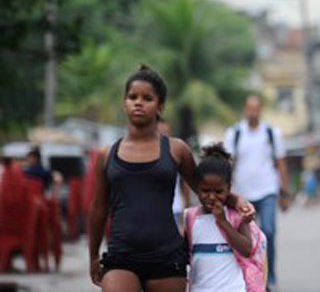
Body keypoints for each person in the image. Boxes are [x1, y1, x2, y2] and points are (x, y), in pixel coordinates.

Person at [88, 65, 254, 292]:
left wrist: (235, 201)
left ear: (160, 106)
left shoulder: (177, 150)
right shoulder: (107, 155)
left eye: (147, 98)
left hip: (166, 257)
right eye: (132, 97)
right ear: (124, 103)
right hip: (121, 256)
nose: (139, 102)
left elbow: (204, 188)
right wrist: (93, 256)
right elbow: (98, 209)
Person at [224, 94, 290, 289]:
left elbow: (281, 163)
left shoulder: (271, 133)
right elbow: (227, 165)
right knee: (244, 238)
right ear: (245, 109)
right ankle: (249, 273)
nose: (253, 112)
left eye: (256, 108)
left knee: (268, 231)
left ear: (260, 110)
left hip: (267, 190)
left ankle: (270, 277)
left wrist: (284, 193)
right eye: (249, 108)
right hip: (242, 194)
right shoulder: (234, 133)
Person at [184, 143, 266, 292]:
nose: (211, 197)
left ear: (229, 189)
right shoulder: (190, 217)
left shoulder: (235, 214)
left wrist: (223, 222)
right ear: (197, 187)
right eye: (205, 191)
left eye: (219, 191)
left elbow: (247, 250)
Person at [156, 120, 191, 230]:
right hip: (153, 211)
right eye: (159, 133)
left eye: (166, 133)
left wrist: (186, 206)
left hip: (175, 209)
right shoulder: (145, 155)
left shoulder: (177, 153)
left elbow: (185, 182)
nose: (163, 137)